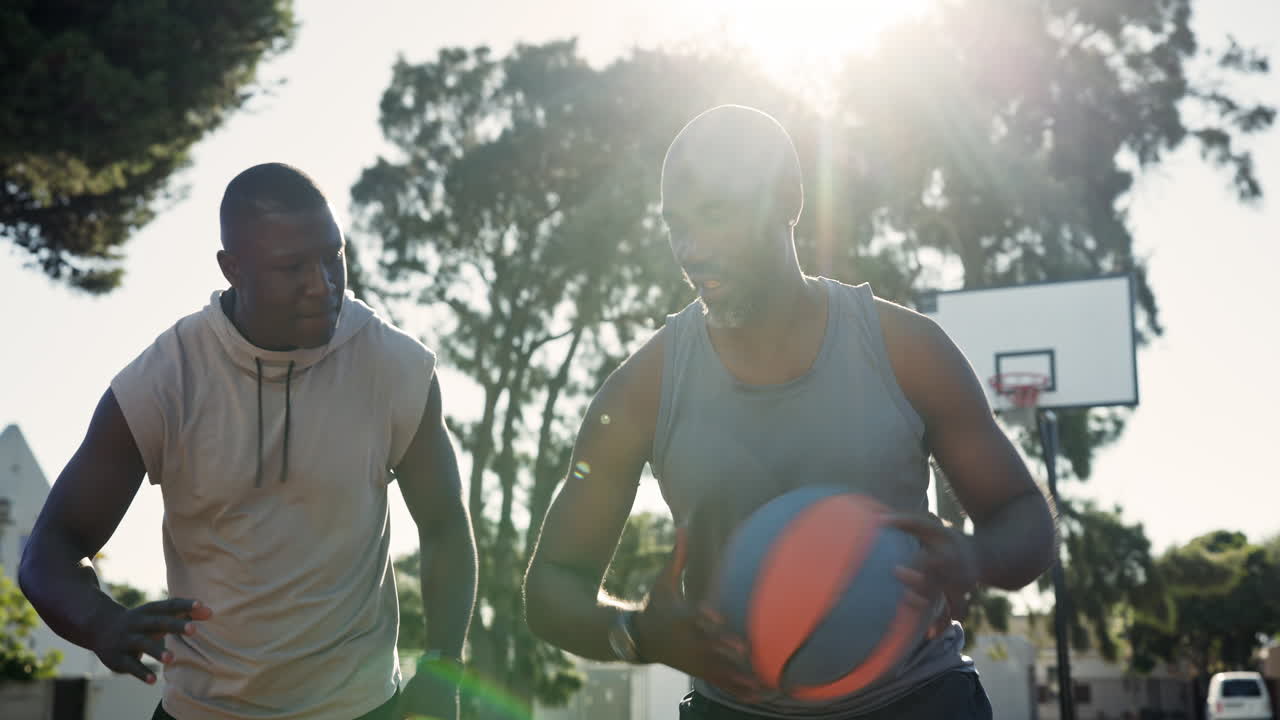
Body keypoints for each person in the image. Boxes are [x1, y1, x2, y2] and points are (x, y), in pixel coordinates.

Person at [523, 105, 1056, 719]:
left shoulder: (906, 350)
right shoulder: (641, 391)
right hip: (738, 710)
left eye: (716, 214)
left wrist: (974, 558)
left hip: (918, 699)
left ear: (787, 198)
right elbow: (550, 588)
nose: (690, 249)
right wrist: (639, 635)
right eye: (676, 224)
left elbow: (1024, 517)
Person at [19, 163, 477, 720]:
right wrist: (102, 622)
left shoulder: (396, 366)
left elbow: (446, 525)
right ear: (232, 268)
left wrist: (444, 663)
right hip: (201, 710)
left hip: (360, 707)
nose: (323, 285)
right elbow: (51, 547)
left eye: (332, 257)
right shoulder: (164, 379)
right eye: (292, 268)